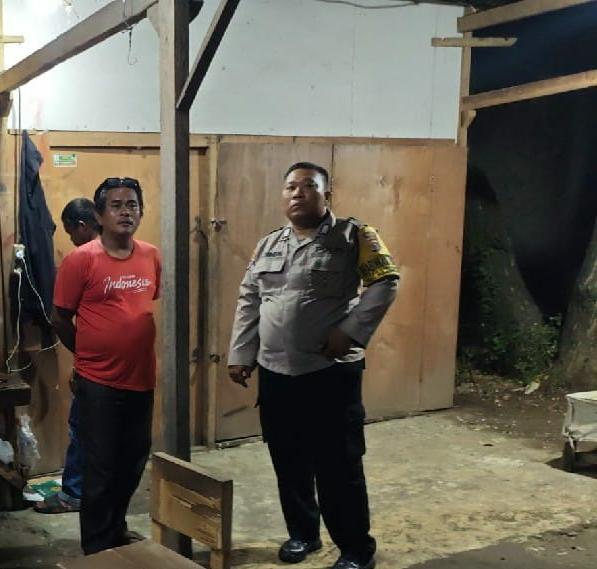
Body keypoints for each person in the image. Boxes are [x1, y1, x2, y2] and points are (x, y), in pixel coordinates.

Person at [228, 162, 399, 569]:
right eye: (290, 186)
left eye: (308, 186)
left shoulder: (355, 236)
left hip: (328, 374)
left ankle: (356, 550)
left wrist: (350, 331)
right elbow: (249, 298)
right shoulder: (268, 245)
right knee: (288, 461)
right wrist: (241, 353)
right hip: (276, 374)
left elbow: (385, 282)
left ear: (327, 194)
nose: (298, 193)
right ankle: (303, 534)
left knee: (338, 465)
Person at [51, 178, 161, 555]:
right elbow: (60, 317)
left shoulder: (151, 255)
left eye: (132, 204)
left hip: (142, 379)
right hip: (98, 382)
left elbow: (143, 305)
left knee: (133, 461)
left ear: (141, 212)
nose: (126, 211)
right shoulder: (81, 260)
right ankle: (98, 549)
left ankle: (116, 529)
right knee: (101, 467)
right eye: (116, 205)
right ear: (99, 215)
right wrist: (85, 356)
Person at [35, 198, 100, 514]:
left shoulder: (80, 260)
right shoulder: (119, 255)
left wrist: (83, 355)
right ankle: (92, 490)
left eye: (70, 231)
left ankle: (74, 493)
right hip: (115, 365)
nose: (71, 239)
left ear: (82, 226)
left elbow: (59, 318)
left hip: (96, 367)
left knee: (82, 427)